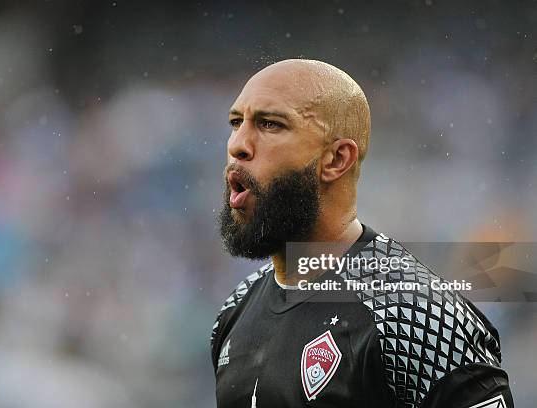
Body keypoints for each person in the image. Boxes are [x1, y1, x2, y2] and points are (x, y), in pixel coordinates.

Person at [211, 59, 513, 407]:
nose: (238, 144)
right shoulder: (237, 308)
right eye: (236, 122)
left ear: (336, 159)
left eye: (270, 124)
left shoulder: (414, 315)